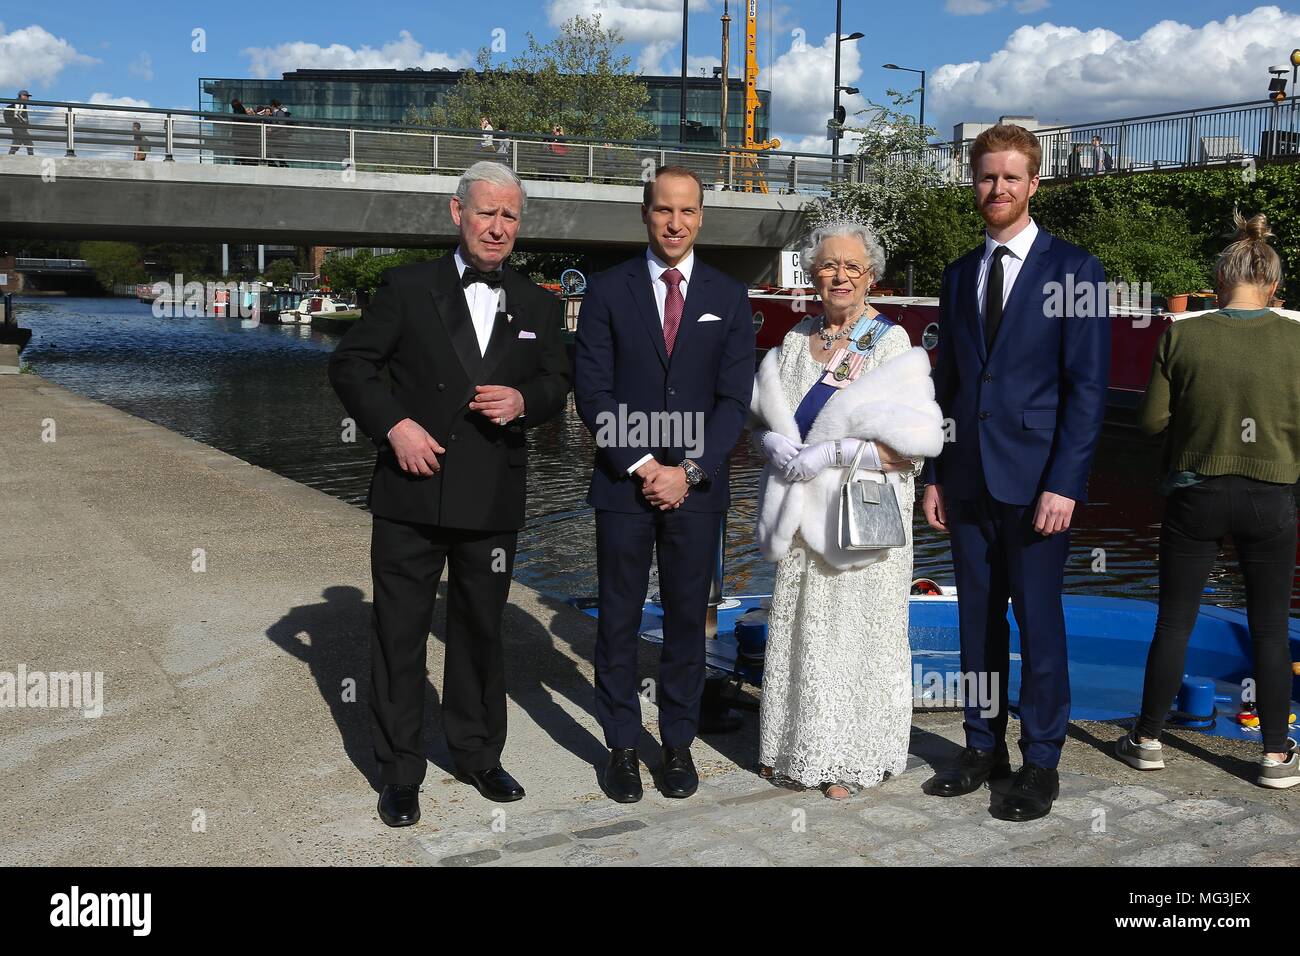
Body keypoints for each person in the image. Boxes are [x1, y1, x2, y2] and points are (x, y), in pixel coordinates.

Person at [328, 161, 571, 827]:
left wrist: (525, 399)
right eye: (487, 212)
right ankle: (400, 771)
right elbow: (350, 364)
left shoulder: (539, 303)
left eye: (510, 216)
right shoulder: (407, 289)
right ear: (456, 213)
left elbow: (557, 383)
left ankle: (476, 753)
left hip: (492, 497)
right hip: (412, 492)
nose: (498, 227)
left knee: (479, 633)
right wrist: (395, 425)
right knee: (399, 636)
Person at [920, 123, 1111, 822]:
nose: (995, 189)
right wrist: (934, 473)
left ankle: (1041, 760)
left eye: (1009, 177)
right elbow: (949, 384)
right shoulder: (957, 273)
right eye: (984, 177)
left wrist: (1065, 482)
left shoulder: (1077, 271)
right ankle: (979, 746)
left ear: (1034, 183)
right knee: (976, 623)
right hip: (966, 478)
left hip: (1037, 485)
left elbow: (1087, 387)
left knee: (1039, 621)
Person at [573, 165, 754, 803]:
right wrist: (646, 465)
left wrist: (690, 470)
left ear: (701, 216)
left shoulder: (729, 297)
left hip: (698, 491)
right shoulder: (606, 291)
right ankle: (622, 744)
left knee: (687, 621)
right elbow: (591, 392)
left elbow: (735, 401)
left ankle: (676, 743)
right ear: (645, 214)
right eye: (662, 211)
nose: (674, 223)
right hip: (624, 485)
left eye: (686, 212)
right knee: (617, 619)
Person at [748, 220, 944, 798]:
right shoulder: (791, 341)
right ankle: (795, 746)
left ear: (871, 277)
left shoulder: (890, 345)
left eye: (851, 267)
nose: (839, 276)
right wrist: (772, 444)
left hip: (858, 521)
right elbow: (766, 418)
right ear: (812, 274)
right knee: (804, 630)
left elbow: (909, 449)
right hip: (802, 514)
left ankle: (850, 758)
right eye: (828, 266)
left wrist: (833, 451)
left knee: (854, 637)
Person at [1115, 211, 1299, 789]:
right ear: (1273, 285)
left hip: (1196, 494)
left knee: (1174, 623)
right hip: (1272, 498)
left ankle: (1146, 739)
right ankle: (1273, 754)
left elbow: (1149, 423)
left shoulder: (1184, 334)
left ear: (1219, 282)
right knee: (1269, 629)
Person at [5, 90, 34, 156]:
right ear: (22, 96)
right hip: (18, 126)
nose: (28, 98)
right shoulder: (18, 104)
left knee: (16, 143)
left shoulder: (22, 105)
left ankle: (10, 156)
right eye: (26, 96)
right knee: (29, 143)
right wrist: (23, 122)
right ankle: (31, 157)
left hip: (18, 127)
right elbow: (16, 114)